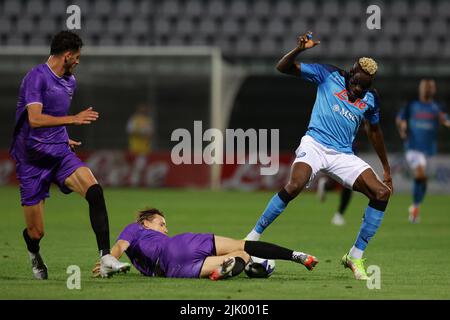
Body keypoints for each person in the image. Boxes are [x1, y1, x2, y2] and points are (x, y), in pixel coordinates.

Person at [245, 32, 393, 281]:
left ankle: (354, 256)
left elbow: (374, 131)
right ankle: (252, 237)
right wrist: (298, 50)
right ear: (350, 72)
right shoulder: (328, 74)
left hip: (343, 155)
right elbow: (283, 67)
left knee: (382, 193)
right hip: (315, 144)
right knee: (294, 185)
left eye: (364, 87)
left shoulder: (371, 98)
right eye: (356, 83)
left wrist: (386, 170)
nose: (358, 90)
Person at [9, 30, 130, 279]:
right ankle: (34, 252)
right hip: (32, 161)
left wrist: (64, 136)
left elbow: (54, 117)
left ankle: (105, 256)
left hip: (59, 154)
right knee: (36, 232)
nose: (78, 61)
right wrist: (73, 119)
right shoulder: (36, 77)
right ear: (66, 55)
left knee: (94, 191)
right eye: (76, 57)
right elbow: (34, 119)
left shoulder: (69, 81)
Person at [93, 208, 318, 280]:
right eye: (162, 224)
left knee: (240, 256)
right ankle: (297, 256)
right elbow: (119, 247)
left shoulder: (139, 240)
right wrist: (110, 259)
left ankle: (232, 268)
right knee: (242, 247)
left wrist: (111, 262)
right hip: (178, 246)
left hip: (171, 270)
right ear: (145, 222)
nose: (166, 229)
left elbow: (120, 250)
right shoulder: (136, 228)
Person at [396, 79, 450, 223]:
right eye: (425, 87)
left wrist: (445, 121)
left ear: (434, 90)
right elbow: (400, 119)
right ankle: (415, 206)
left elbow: (445, 120)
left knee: (423, 180)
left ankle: (415, 206)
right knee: (420, 175)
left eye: (430, 87)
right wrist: (402, 127)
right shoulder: (412, 106)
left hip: (429, 150)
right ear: (420, 89)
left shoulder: (437, 107)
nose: (427, 89)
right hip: (413, 148)